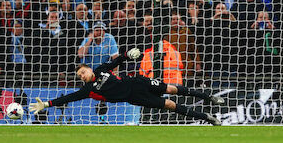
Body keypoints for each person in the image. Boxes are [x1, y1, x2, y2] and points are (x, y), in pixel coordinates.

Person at [28, 48, 224, 125]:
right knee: (170, 105)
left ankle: (209, 97)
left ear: (88, 68)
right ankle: (206, 117)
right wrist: (46, 104)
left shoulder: (102, 68)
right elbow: (67, 98)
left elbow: (117, 62)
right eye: (80, 76)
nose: (82, 76)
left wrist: (128, 55)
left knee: (171, 89)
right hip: (135, 98)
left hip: (138, 81)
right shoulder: (89, 90)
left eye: (83, 72)